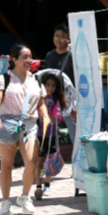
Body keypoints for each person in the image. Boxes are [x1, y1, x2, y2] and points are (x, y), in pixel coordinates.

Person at [0, 44, 46, 215]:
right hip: (8, 124)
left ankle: (24, 197)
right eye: (25, 57)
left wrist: (46, 116)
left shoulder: (35, 79)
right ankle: (6, 202)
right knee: (6, 165)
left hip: (29, 124)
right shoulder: (4, 79)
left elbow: (41, 101)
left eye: (30, 56)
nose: (29, 60)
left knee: (31, 163)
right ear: (14, 59)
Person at [35, 72, 68, 200]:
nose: (50, 88)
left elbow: (58, 117)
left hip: (51, 137)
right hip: (38, 135)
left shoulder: (55, 101)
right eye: (47, 85)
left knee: (48, 161)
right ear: (42, 85)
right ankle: (38, 185)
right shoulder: (37, 99)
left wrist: (53, 118)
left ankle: (47, 184)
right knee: (39, 161)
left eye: (53, 85)